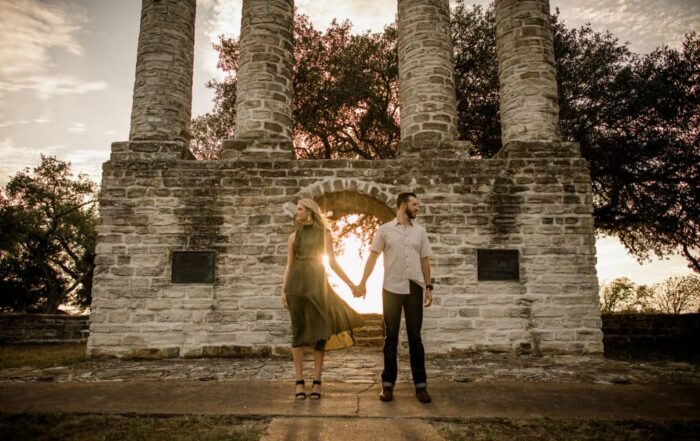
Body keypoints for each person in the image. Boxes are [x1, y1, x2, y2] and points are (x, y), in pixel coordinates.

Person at [281, 198, 365, 400]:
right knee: (298, 333)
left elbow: (333, 263)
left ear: (309, 211)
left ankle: (317, 381)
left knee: (320, 334)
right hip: (296, 287)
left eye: (299, 209)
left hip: (318, 287)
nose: (296, 213)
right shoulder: (293, 237)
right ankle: (299, 381)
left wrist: (352, 284)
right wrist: (283, 290)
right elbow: (289, 265)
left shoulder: (325, 234)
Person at [356, 191, 434, 403]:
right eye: (415, 204)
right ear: (402, 205)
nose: (418, 208)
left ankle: (421, 386)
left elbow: (425, 260)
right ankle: (387, 385)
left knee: (415, 337)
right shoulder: (385, 231)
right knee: (390, 337)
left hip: (415, 288)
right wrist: (362, 282)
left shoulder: (420, 232)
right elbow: (372, 258)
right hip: (390, 288)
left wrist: (429, 287)